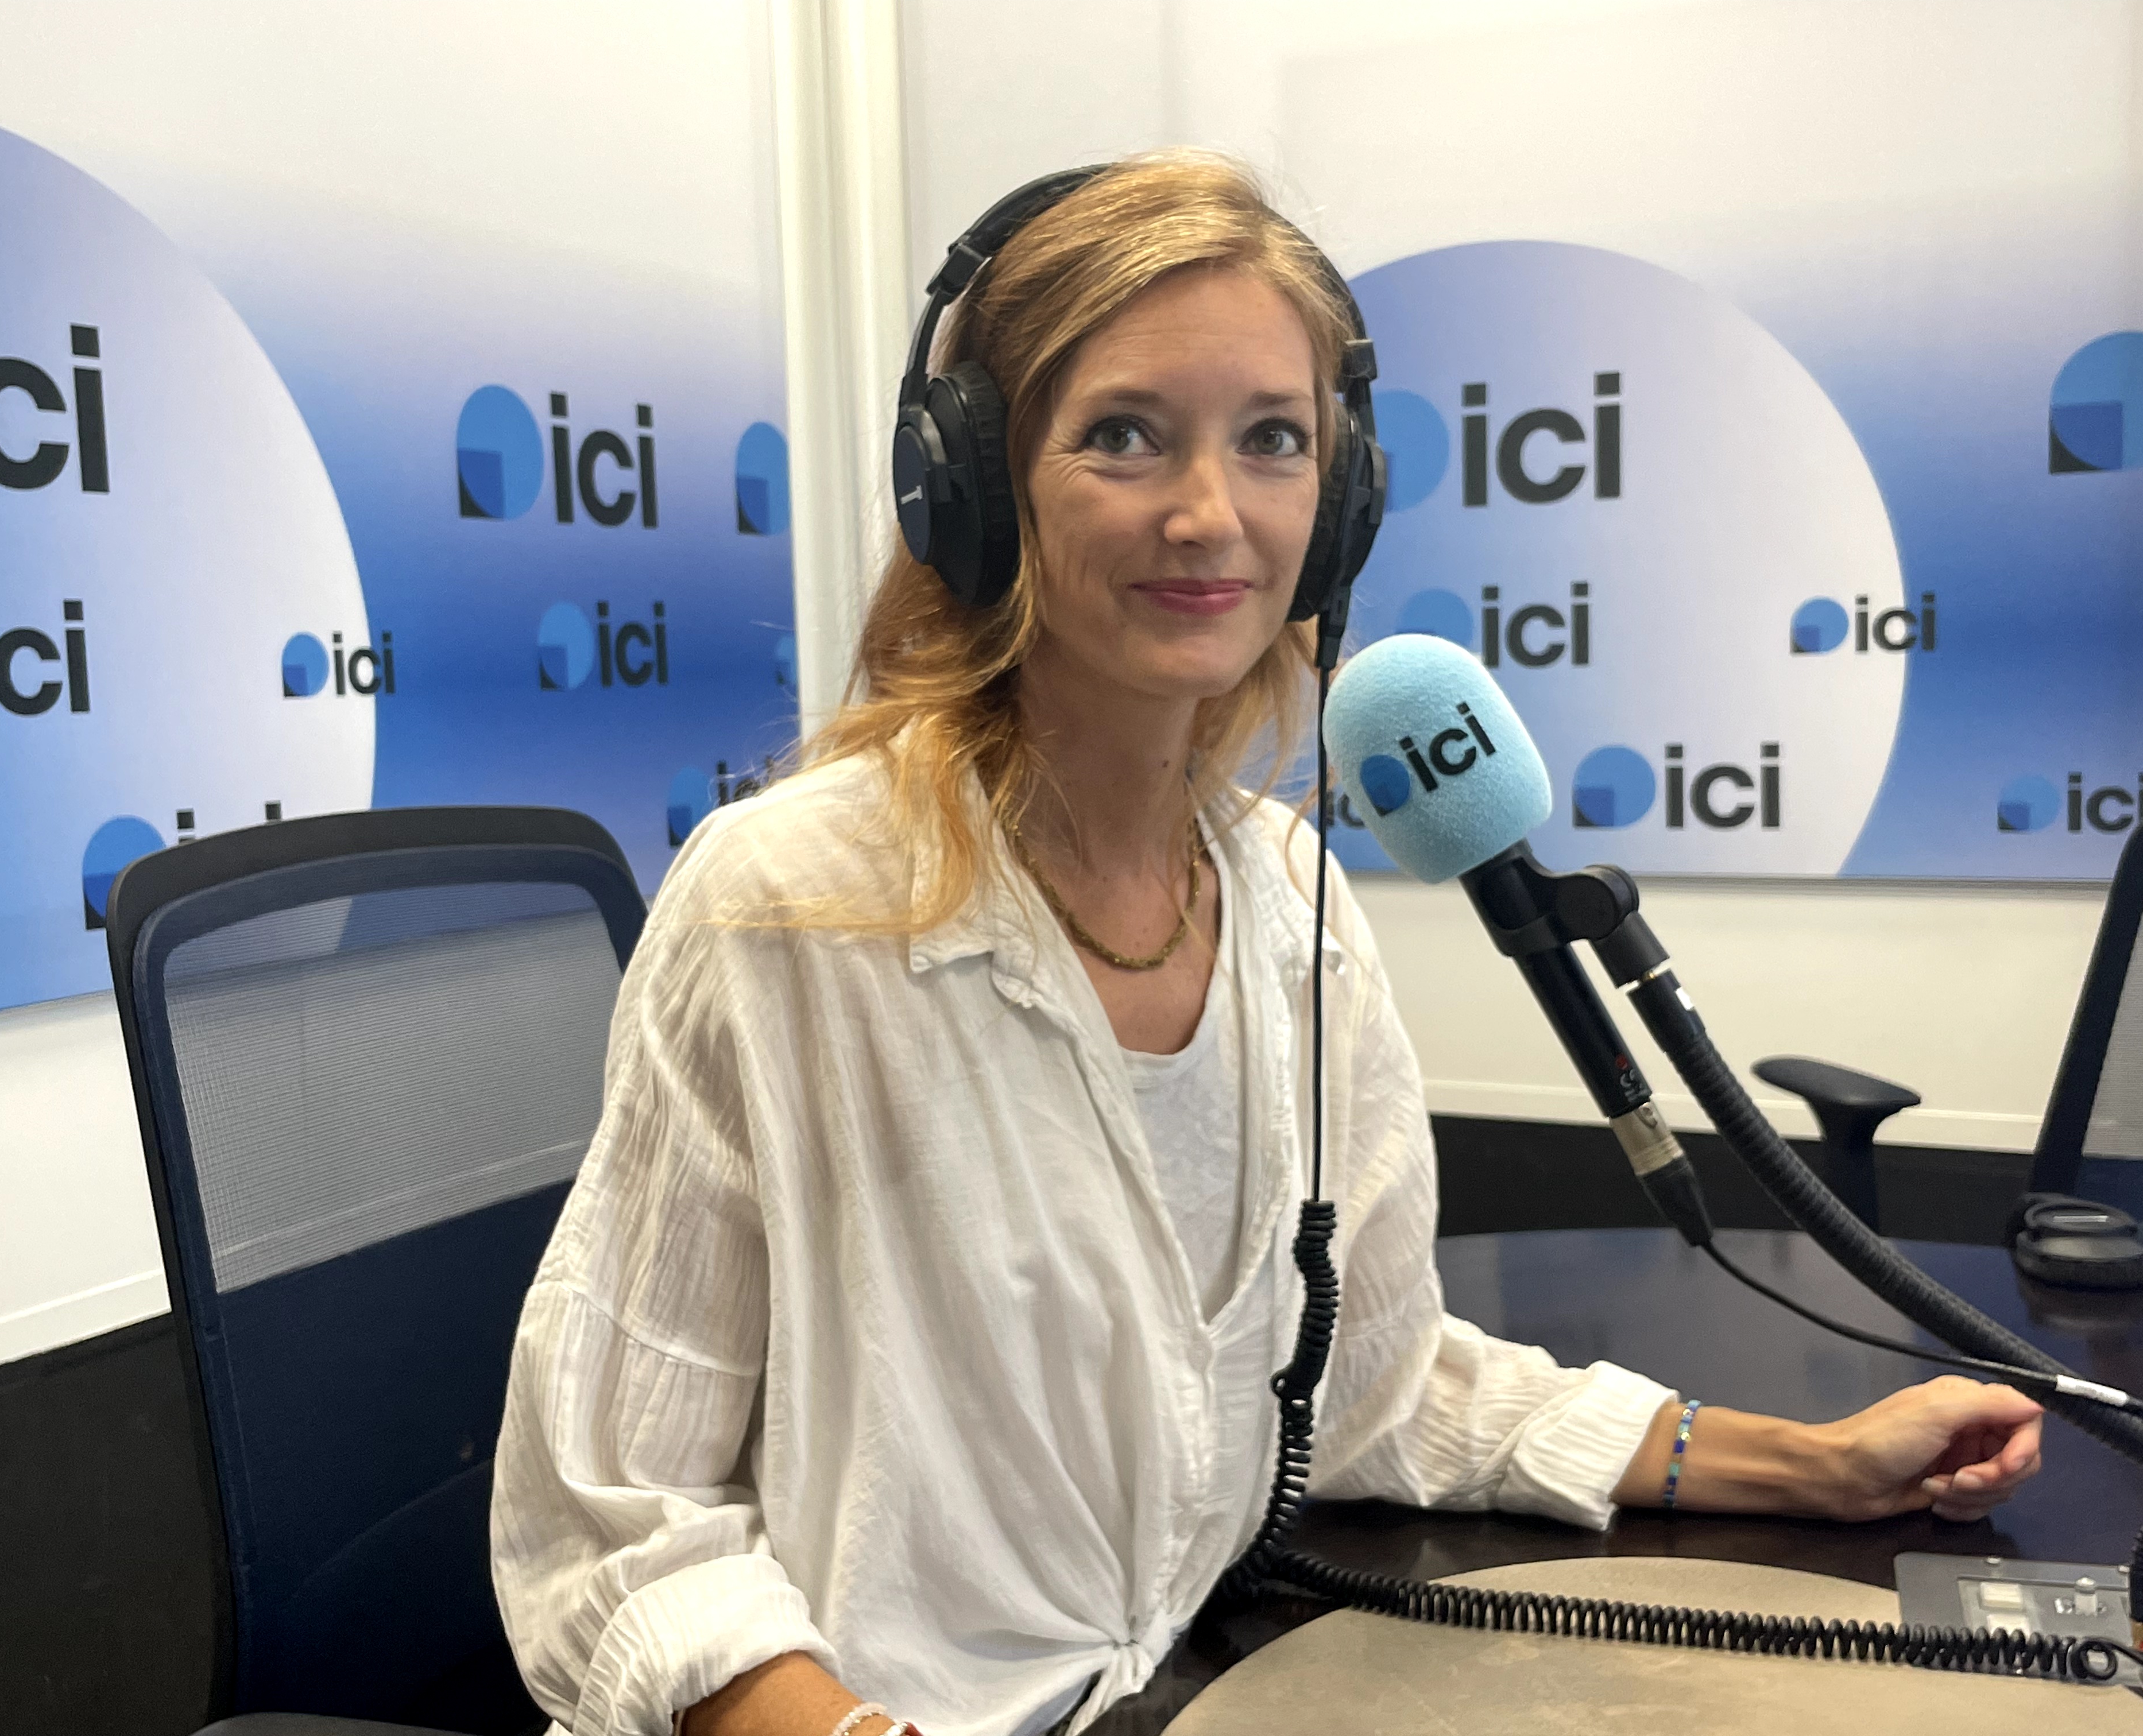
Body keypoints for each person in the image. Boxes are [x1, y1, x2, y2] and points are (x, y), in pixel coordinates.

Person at [490, 153, 2044, 1736]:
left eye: (1274, 440)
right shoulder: (784, 903)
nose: (1210, 514)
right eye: (1123, 434)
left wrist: (1813, 1463)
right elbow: (613, 1528)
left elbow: (1372, 1386)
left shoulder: (1292, 898)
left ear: (1341, 504)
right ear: (970, 485)